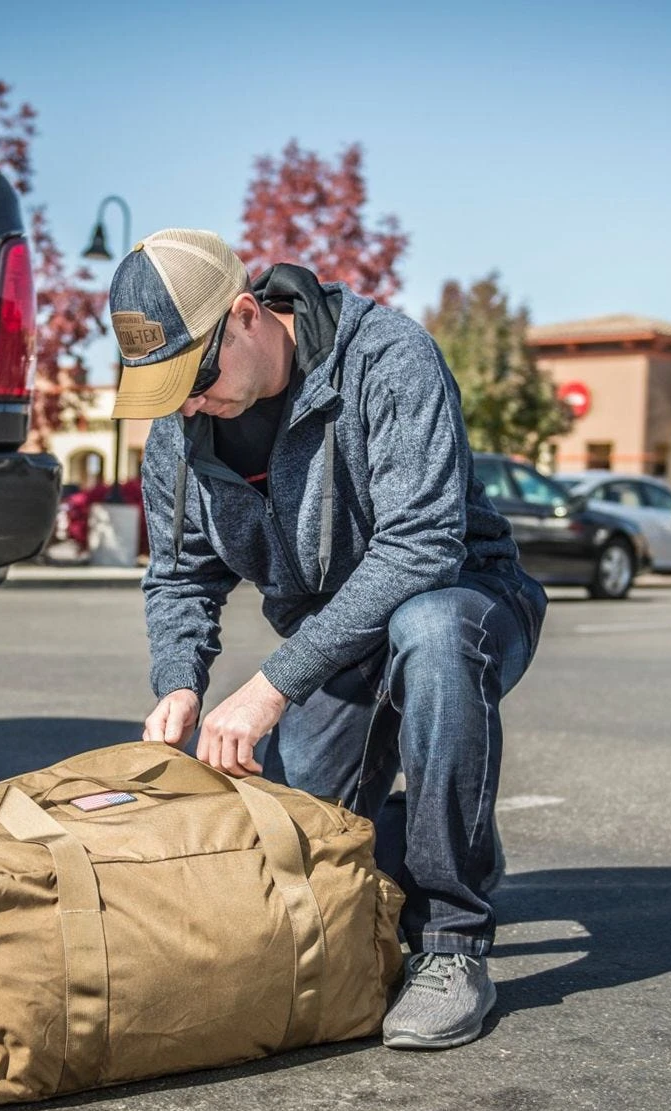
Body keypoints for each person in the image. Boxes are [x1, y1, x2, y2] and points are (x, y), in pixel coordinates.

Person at [109, 228, 547, 1050]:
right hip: (332, 634)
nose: (188, 404)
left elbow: (421, 548)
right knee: (314, 856)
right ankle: (443, 835)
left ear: (246, 316)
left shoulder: (386, 359)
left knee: (432, 631)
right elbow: (180, 576)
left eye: (194, 378)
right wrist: (178, 681)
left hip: (464, 597)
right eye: (165, 389)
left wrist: (270, 687)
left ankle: (453, 939)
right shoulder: (182, 427)